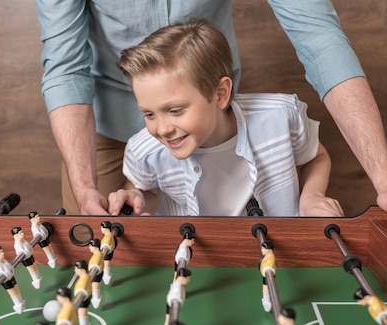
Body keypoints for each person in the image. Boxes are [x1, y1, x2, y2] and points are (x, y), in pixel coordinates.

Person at [35, 1, 387, 234]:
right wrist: (85, 185)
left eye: (172, 112)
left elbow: (321, 41)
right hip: (101, 126)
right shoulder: (147, 143)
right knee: (106, 250)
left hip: (217, 120)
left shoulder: (265, 116)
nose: (163, 126)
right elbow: (65, 68)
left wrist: (386, 178)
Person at [111, 19, 342, 217]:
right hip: (195, 264)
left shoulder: (281, 118)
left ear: (220, 94)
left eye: (175, 110)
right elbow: (145, 190)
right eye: (149, 114)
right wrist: (135, 196)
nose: (162, 129)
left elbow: (316, 157)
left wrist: (312, 196)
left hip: (279, 256)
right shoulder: (144, 151)